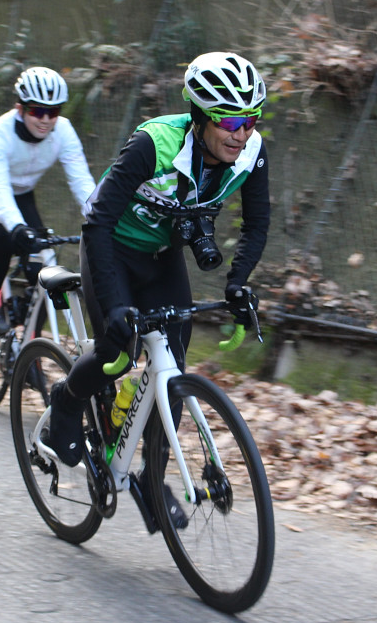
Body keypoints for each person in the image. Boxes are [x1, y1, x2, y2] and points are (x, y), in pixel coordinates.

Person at [46, 51, 271, 488]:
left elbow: (257, 223)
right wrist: (113, 306)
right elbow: (98, 221)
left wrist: (238, 282)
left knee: (171, 369)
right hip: (110, 244)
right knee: (116, 350)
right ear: (200, 117)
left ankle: (152, 479)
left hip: (161, 252)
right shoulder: (156, 143)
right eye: (228, 121)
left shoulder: (252, 153)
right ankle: (67, 399)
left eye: (251, 120)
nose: (241, 133)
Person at [0, 67, 96, 334]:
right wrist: (18, 228)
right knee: (6, 234)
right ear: (20, 108)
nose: (45, 119)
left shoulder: (64, 131)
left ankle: (30, 348)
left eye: (53, 112)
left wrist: (101, 217)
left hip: (22, 195)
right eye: (36, 111)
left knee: (45, 267)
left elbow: (82, 182)